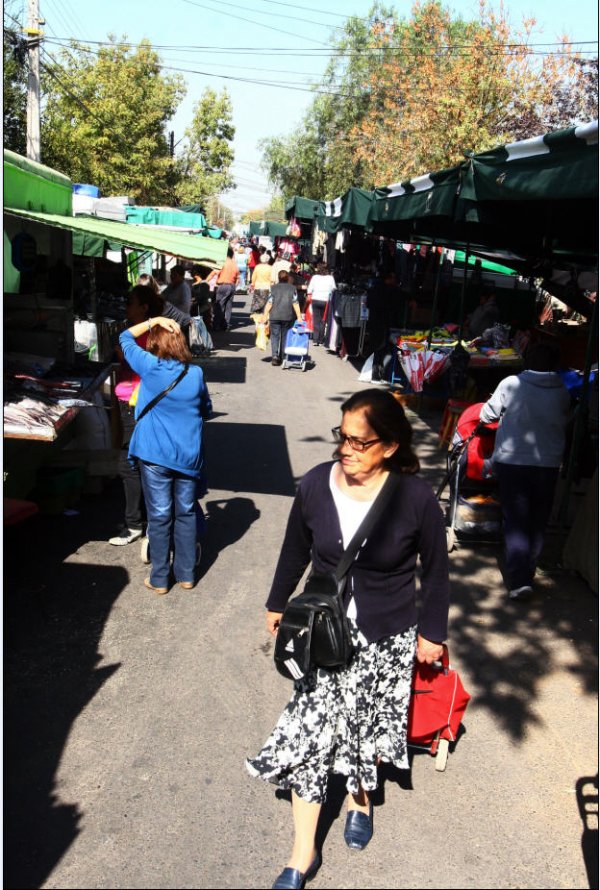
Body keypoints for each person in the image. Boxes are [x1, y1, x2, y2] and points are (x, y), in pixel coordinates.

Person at [247, 388, 450, 890]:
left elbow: (438, 570)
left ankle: (361, 800)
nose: (346, 450)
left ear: (391, 446)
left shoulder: (415, 497)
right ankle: (301, 853)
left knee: (366, 729)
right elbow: (294, 548)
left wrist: (433, 632)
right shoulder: (317, 484)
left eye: (360, 442)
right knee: (312, 734)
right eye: (343, 437)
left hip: (386, 636)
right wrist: (277, 603)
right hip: (323, 634)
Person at [119, 316, 212, 594]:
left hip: (155, 454)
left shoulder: (151, 367)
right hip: (187, 455)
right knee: (184, 512)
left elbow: (124, 337)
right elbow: (206, 410)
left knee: (159, 515)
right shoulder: (195, 374)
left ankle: (160, 579)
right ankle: (186, 575)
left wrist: (154, 320)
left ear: (155, 343)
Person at [479, 341, 570, 601]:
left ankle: (519, 580)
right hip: (549, 463)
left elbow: (487, 415)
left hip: (514, 462)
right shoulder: (562, 391)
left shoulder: (511, 383)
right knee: (538, 520)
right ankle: (527, 572)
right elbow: (564, 418)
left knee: (516, 520)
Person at [109, 284, 165, 546]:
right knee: (131, 463)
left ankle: (134, 524)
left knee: (130, 464)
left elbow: (146, 366)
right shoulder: (139, 333)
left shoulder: (147, 335)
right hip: (127, 400)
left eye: (131, 302)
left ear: (144, 307)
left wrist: (123, 355)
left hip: (135, 401)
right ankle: (137, 520)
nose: (127, 306)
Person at [263, 270, 303, 366]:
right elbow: (295, 303)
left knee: (274, 336)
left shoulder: (273, 288)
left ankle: (275, 356)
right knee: (285, 336)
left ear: (278, 278)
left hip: (275, 316)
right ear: (287, 278)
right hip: (288, 316)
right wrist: (299, 316)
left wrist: (265, 315)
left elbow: (270, 302)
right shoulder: (292, 288)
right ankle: (284, 356)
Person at [306, 263, 336, 347]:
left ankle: (315, 339)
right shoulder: (330, 278)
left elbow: (310, 289)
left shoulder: (315, 277)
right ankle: (321, 339)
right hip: (326, 301)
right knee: (323, 320)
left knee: (316, 319)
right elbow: (334, 288)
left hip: (315, 299)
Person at [214, 247, 240, 331]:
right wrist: (234, 286)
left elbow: (215, 272)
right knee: (228, 306)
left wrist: (206, 280)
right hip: (232, 285)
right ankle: (226, 325)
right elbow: (238, 277)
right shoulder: (234, 263)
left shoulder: (222, 262)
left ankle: (217, 325)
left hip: (223, 285)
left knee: (219, 306)